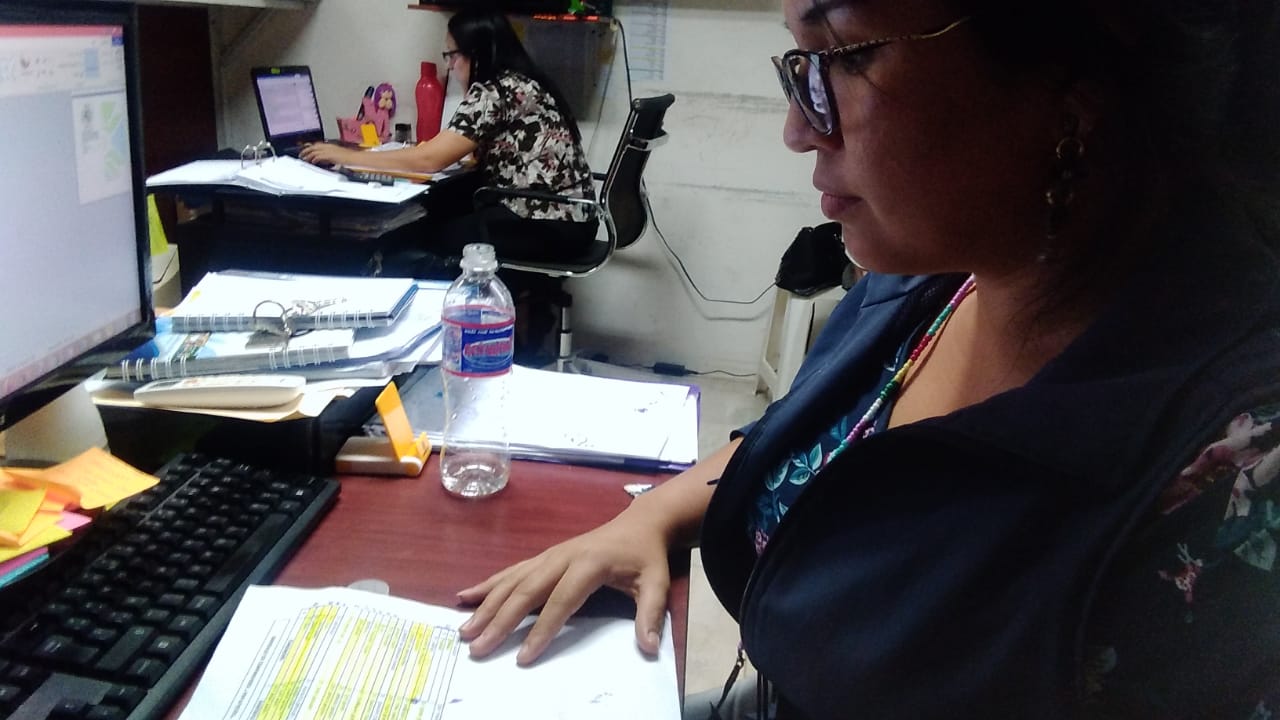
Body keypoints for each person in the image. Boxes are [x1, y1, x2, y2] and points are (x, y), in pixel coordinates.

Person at [453, 0, 1280, 717]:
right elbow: (815, 445)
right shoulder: (939, 279)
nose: (796, 129)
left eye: (844, 57)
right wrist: (649, 518)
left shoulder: (1232, 480)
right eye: (799, 65)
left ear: (1074, 71)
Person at [300, 6, 598, 268]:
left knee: (425, 235)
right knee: (442, 210)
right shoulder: (523, 82)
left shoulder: (495, 91)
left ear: (475, 53)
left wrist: (348, 156)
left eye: (452, 55)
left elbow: (430, 160)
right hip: (572, 220)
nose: (450, 65)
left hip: (545, 223)